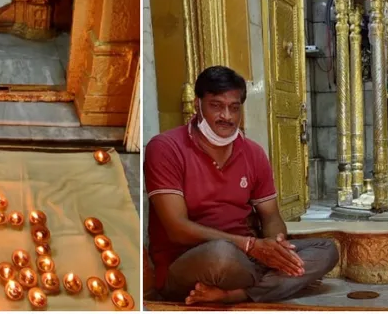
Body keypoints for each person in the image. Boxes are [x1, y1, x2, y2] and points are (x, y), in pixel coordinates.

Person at [144, 66, 339, 305]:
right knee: (221, 256)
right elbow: (177, 227)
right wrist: (251, 246)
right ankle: (277, 283)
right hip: (193, 260)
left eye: (234, 108)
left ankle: (238, 294)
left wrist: (276, 248)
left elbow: (270, 216)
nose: (226, 116)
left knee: (326, 250)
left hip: (248, 256)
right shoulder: (165, 148)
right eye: (216, 105)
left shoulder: (253, 152)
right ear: (198, 104)